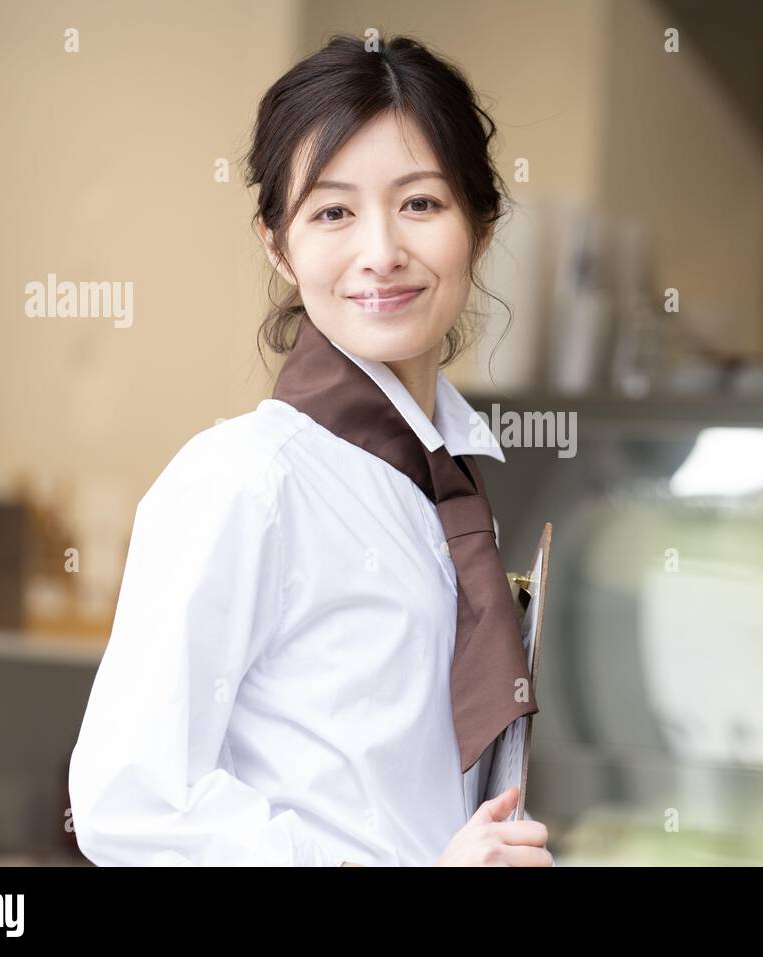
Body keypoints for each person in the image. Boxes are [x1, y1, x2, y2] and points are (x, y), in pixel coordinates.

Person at [67, 34, 552, 867]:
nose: (381, 251)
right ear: (277, 245)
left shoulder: (447, 489)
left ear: (481, 224)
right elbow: (131, 799)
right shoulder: (244, 480)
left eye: (421, 204)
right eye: (333, 212)